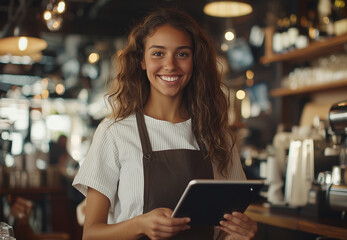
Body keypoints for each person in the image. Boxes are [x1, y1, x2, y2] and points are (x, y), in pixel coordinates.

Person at [72, 8, 257, 240]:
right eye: (158, 54)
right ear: (141, 60)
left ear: (195, 61)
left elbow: (222, 230)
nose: (170, 65)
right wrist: (140, 224)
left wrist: (241, 233)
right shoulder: (115, 133)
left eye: (182, 54)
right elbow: (91, 234)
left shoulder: (218, 135)